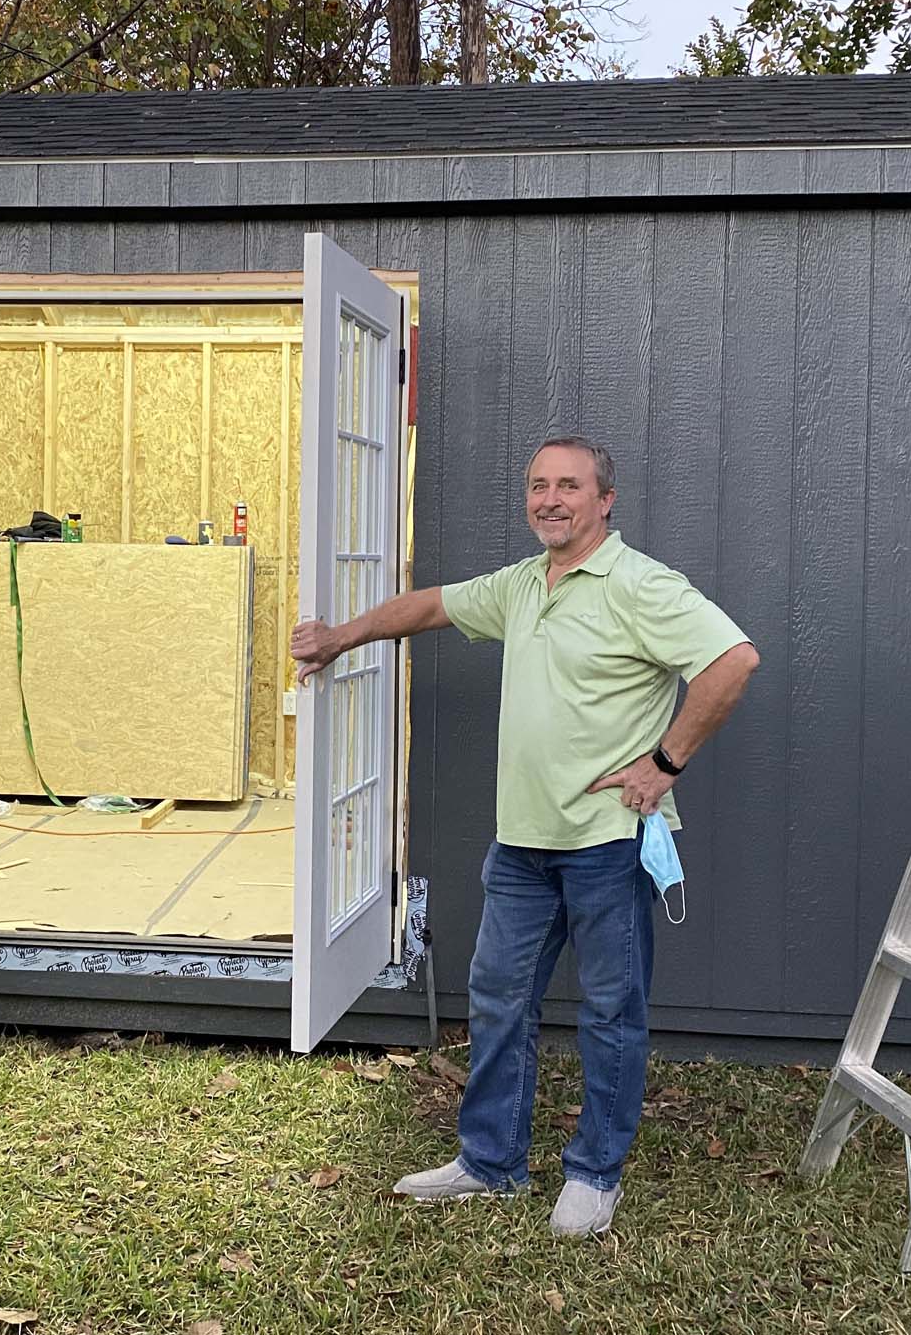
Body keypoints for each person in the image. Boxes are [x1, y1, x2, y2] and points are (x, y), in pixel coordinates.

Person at [291, 436, 758, 1237]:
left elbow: (734, 661)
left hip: (608, 843)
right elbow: (429, 607)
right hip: (521, 847)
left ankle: (594, 1175)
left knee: (610, 1012)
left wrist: (664, 763)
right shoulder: (522, 584)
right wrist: (340, 639)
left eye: (569, 485)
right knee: (499, 1000)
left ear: (604, 500)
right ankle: (489, 1161)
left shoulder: (641, 585)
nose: (550, 499)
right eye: (539, 485)